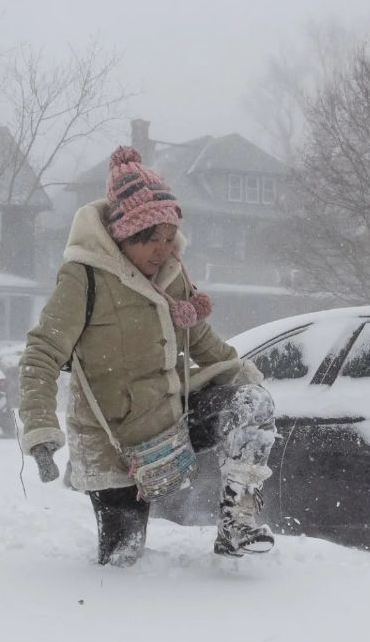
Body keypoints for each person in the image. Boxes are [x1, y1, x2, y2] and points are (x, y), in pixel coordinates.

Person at [18, 145, 277, 566]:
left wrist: (253, 383)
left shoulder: (172, 277)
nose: (163, 250)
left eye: (169, 237)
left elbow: (206, 345)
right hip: (114, 441)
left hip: (171, 420)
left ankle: (238, 523)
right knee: (124, 561)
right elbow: (42, 353)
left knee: (251, 401)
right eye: (151, 239)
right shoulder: (84, 277)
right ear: (123, 236)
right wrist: (41, 429)